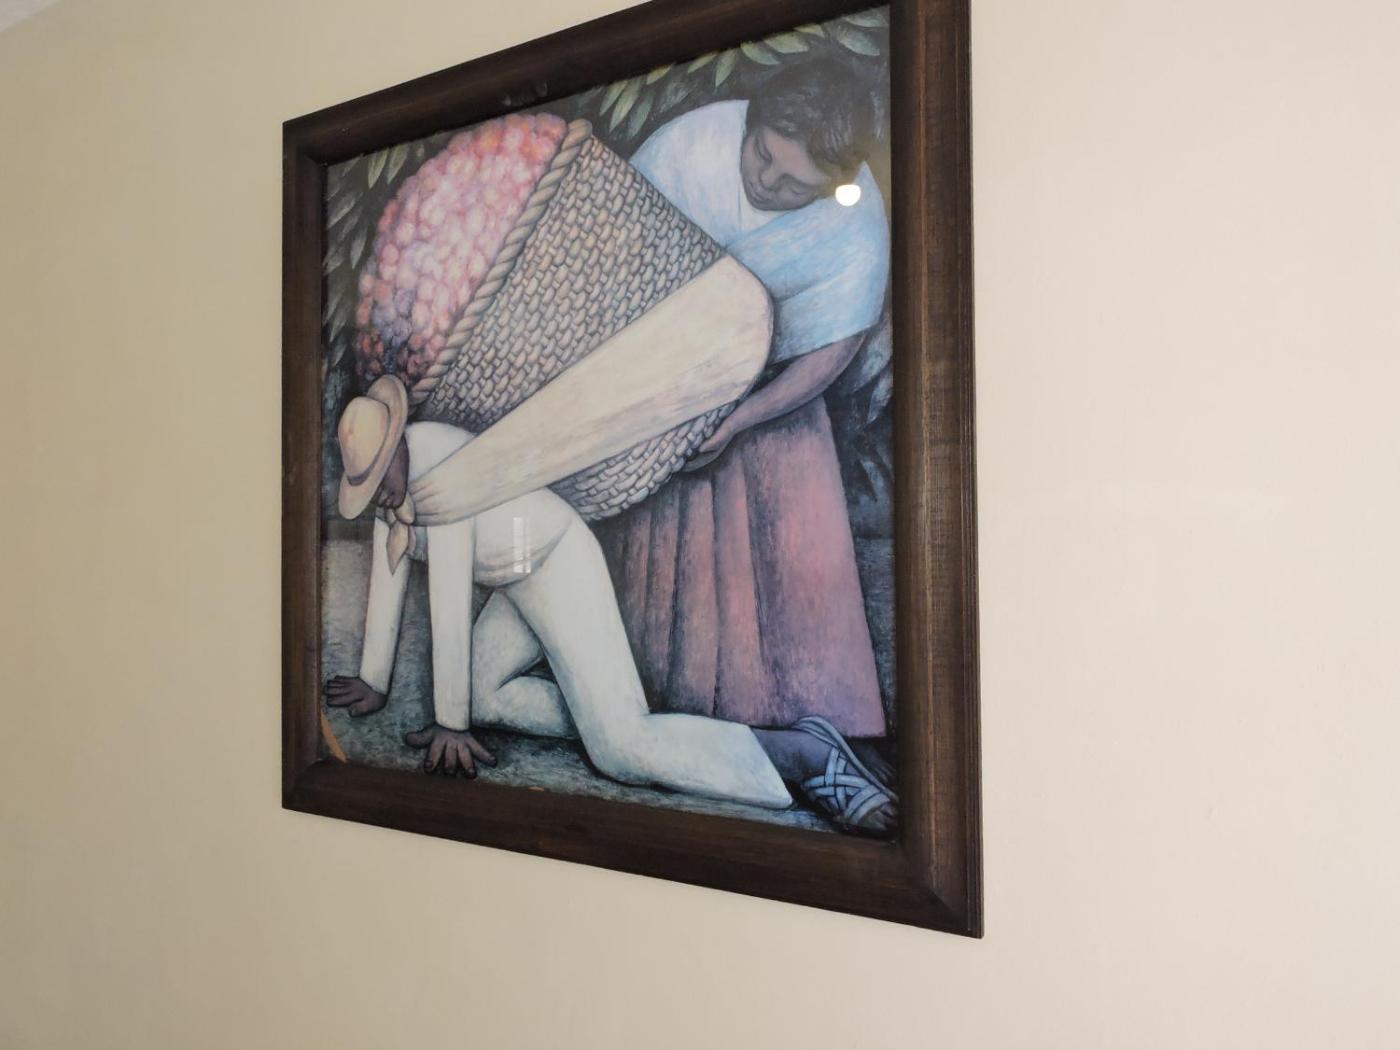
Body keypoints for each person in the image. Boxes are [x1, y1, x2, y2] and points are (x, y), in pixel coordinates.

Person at [323, 376, 896, 831]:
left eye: (380, 480)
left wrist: (450, 725)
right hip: (516, 570)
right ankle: (608, 714)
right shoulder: (393, 485)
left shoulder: (440, 474)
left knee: (619, 751)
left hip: (554, 560)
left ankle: (800, 754)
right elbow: (390, 565)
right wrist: (374, 679)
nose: (380, 497)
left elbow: (448, 594)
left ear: (398, 445)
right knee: (484, 696)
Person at [593, 59, 895, 803]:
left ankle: (825, 728)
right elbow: (612, 267)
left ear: (830, 186)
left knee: (791, 537)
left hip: (775, 400)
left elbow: (831, 349)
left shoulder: (856, 225)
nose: (766, 183)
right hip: (664, 379)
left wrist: (745, 418)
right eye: (762, 156)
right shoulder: (687, 147)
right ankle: (698, 718)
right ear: (751, 125)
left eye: (794, 185)